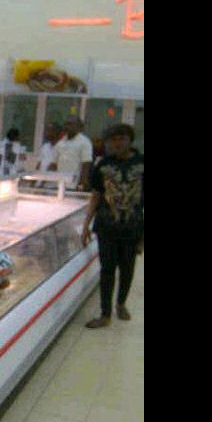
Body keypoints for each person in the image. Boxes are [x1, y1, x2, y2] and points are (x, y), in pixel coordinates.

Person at [81, 123, 144, 328]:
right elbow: (96, 196)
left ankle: (121, 304)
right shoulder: (103, 165)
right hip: (106, 226)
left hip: (133, 227)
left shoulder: (141, 163)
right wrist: (85, 225)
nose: (117, 143)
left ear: (130, 140)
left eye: (121, 138)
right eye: (113, 139)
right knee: (107, 270)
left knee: (127, 269)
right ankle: (105, 314)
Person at [53, 116, 93, 188]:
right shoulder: (60, 142)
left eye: (70, 124)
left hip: (74, 186)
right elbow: (54, 164)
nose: (67, 127)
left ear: (78, 127)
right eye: (66, 124)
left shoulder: (84, 142)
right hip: (59, 185)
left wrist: (81, 184)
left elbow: (86, 164)